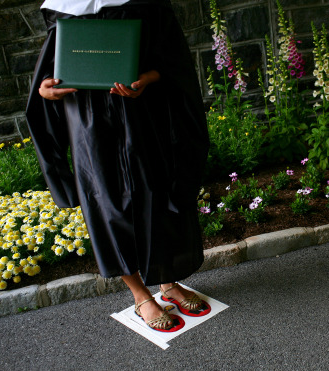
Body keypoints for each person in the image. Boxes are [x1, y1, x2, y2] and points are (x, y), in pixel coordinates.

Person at [26, 0, 211, 332]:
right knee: (105, 203)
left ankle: (167, 283)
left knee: (155, 193)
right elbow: (49, 75)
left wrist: (145, 79)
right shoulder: (62, 6)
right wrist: (47, 91)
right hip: (87, 123)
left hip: (142, 116)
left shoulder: (145, 2)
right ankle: (141, 296)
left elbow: (172, 62)